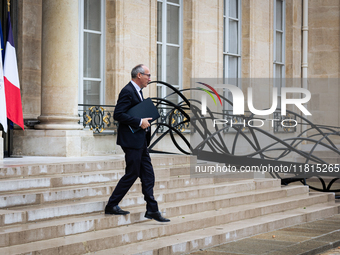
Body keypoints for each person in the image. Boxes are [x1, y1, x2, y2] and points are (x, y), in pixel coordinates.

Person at [104, 64, 170, 222]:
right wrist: (139, 121)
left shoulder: (138, 92)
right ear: (139, 75)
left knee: (148, 174)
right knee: (132, 173)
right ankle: (112, 205)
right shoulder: (127, 91)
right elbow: (118, 114)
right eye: (148, 75)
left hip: (140, 141)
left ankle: (152, 210)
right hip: (132, 141)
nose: (150, 79)